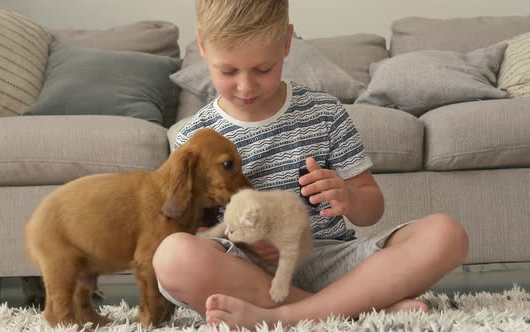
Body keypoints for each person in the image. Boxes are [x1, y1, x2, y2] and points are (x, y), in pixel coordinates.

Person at [153, 0, 469, 329]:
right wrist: (243, 240)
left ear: (287, 42)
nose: (246, 86)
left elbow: (371, 209)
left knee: (446, 234)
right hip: (247, 271)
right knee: (171, 255)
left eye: (263, 69)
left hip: (329, 259)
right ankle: (351, 311)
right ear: (202, 45)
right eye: (228, 71)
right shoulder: (192, 139)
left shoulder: (324, 112)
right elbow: (190, 226)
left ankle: (289, 316)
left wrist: (349, 195)